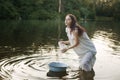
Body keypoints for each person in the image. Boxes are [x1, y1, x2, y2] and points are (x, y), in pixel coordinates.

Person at [58, 14, 97, 80]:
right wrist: (63, 42)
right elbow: (71, 41)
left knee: (84, 64)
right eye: (66, 19)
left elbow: (76, 43)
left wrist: (67, 48)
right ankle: (87, 76)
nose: (66, 21)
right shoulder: (68, 29)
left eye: (68, 19)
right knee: (83, 67)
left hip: (89, 49)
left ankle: (89, 76)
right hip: (82, 51)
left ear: (72, 21)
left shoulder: (75, 30)